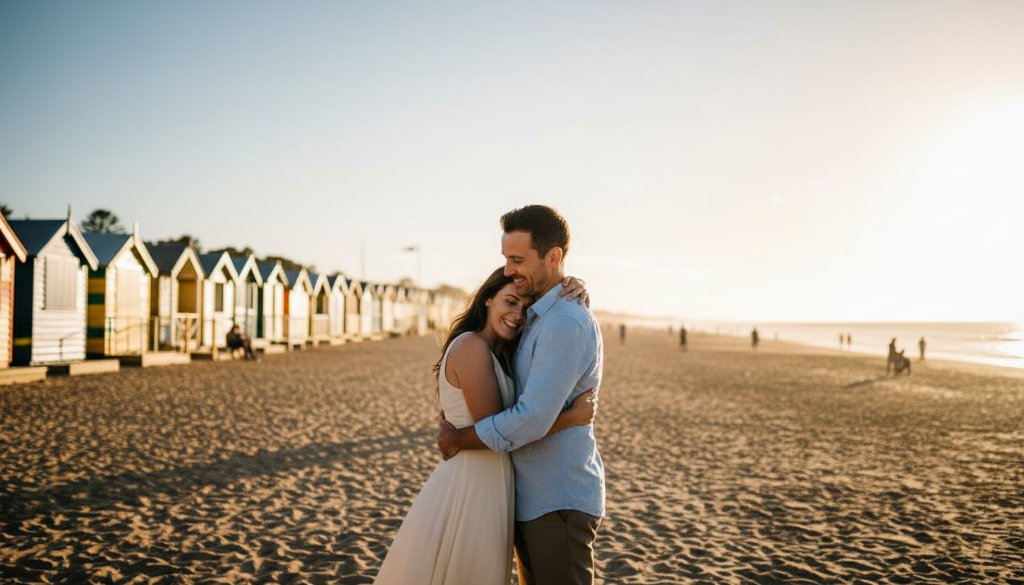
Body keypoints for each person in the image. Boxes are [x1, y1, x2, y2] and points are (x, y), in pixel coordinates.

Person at [373, 268, 596, 585]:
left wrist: (575, 284)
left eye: (526, 309)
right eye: (510, 302)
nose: (517, 315)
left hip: (490, 480)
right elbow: (499, 429)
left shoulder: (497, 351)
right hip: (473, 483)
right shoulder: (472, 347)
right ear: (488, 299)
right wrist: (570, 418)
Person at [437, 205, 605, 585]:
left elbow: (531, 418)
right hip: (530, 498)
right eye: (505, 259)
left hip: (557, 498)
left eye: (517, 260)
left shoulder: (564, 321)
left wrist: (458, 439)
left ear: (553, 257)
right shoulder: (537, 317)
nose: (508, 270)